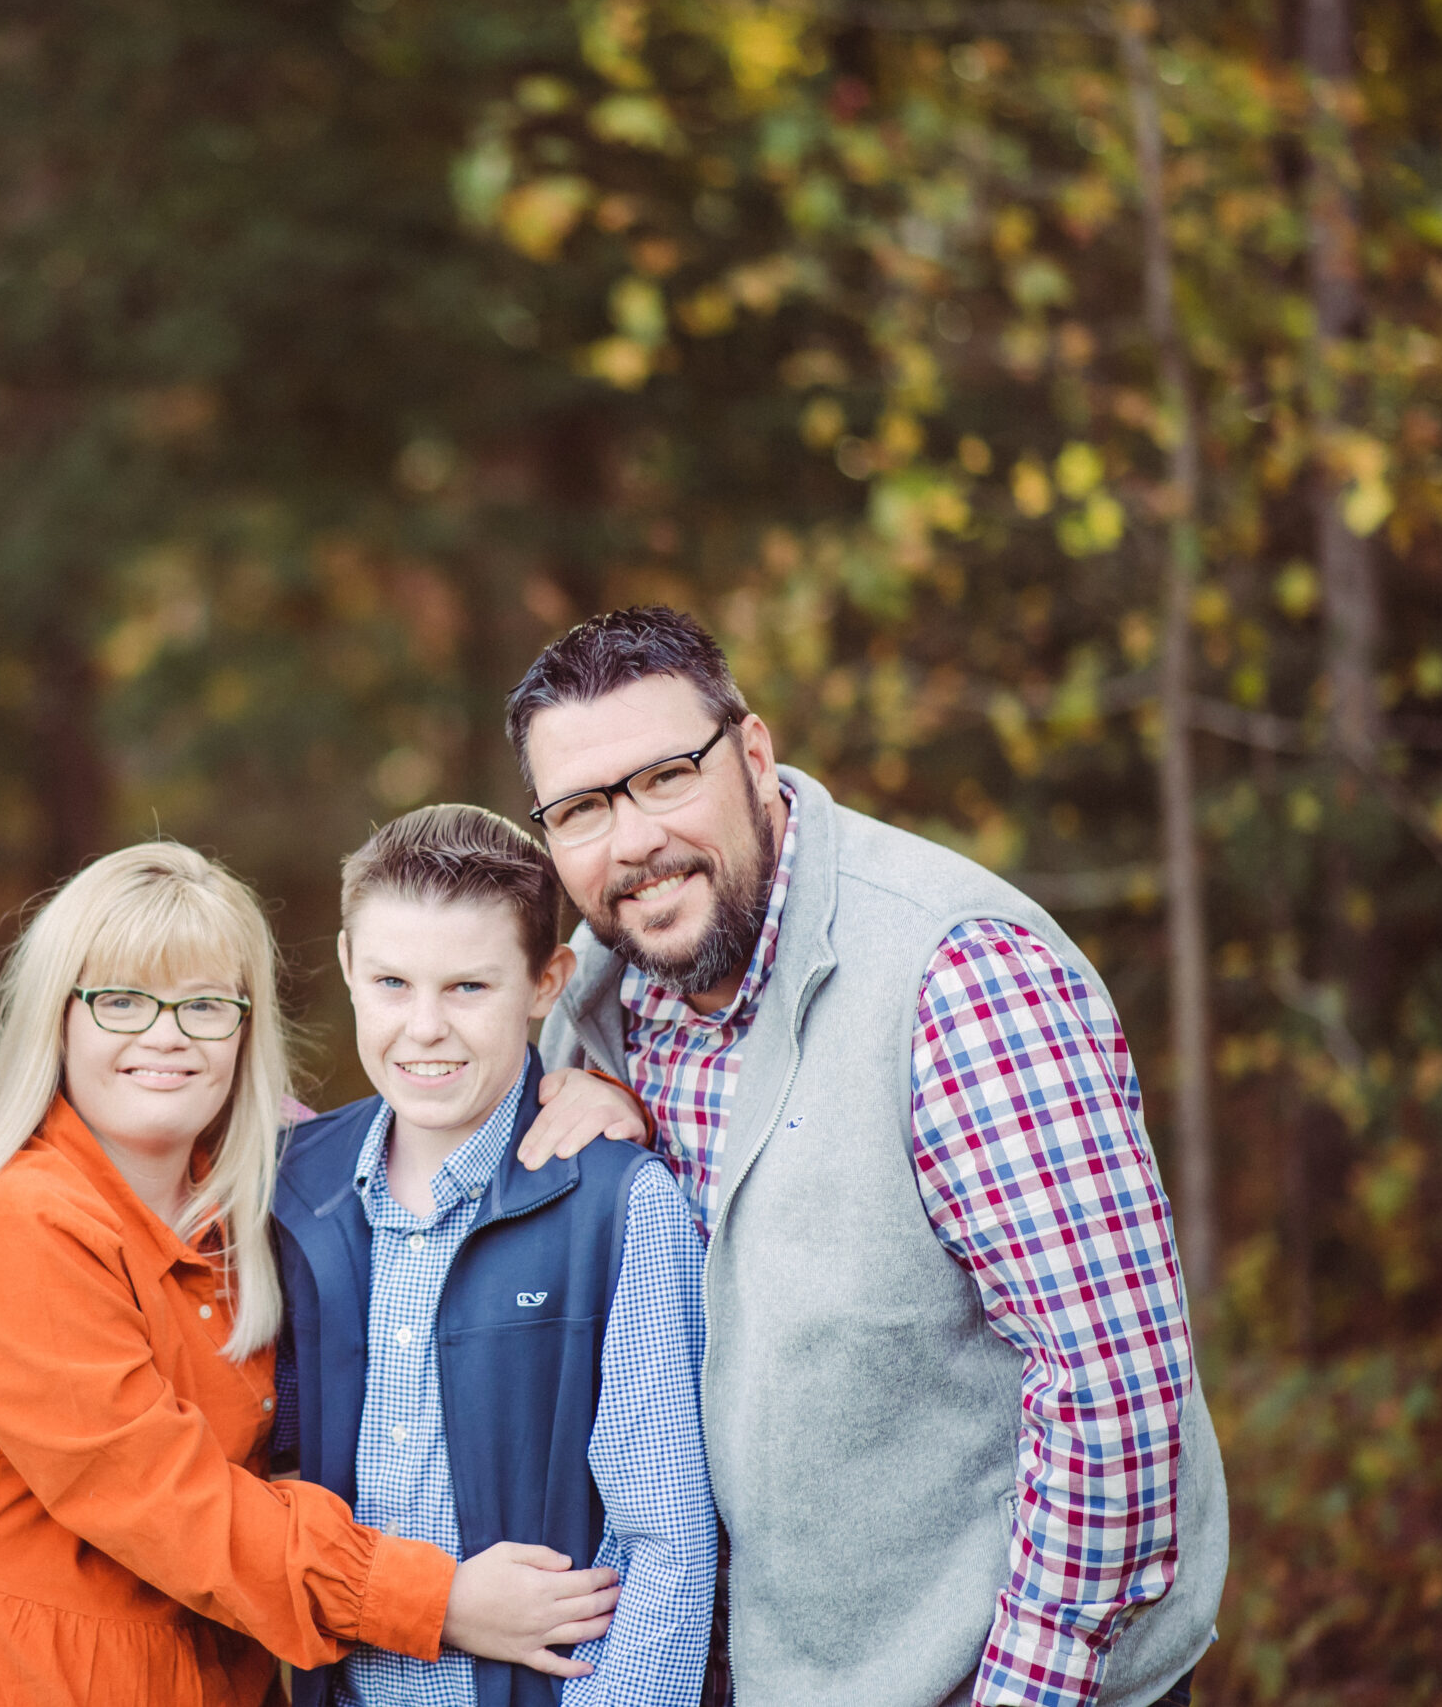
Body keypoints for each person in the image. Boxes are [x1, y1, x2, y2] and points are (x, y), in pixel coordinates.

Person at [512, 608, 1227, 1707]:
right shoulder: (589, 1016)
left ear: (752, 755)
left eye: (663, 777)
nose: (631, 840)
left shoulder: (957, 980)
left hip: (1014, 1677)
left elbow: (1113, 1391)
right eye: (581, 808)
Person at [0, 843, 635, 1707]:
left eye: (205, 1006)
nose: (165, 1036)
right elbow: (165, 1498)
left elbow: (412, 1114)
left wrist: (580, 1095)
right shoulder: (20, 1220)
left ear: (245, 1025)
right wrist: (437, 1599)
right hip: (11, 1675)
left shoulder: (268, 1194)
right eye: (121, 1000)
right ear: (58, 1017)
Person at [275, 803, 716, 1707]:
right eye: (393, 981)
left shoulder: (619, 1205)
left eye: (469, 988)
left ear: (546, 981)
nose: (424, 1027)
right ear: (349, 966)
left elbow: (664, 1542)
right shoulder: (290, 1185)